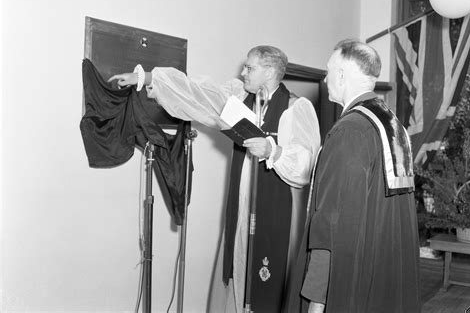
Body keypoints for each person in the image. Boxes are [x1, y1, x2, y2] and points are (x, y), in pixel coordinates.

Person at [108, 45, 320, 312]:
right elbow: (198, 91)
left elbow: (305, 164)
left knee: (267, 283)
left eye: (250, 68)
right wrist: (147, 78)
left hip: (276, 217)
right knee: (240, 278)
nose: (243, 72)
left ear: (269, 71)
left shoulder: (294, 108)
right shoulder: (240, 98)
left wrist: (273, 151)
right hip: (242, 213)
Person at [287, 39, 420, 313]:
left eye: (328, 71)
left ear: (342, 74)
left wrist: (317, 298)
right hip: (386, 268)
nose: (325, 80)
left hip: (349, 282)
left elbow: (332, 223)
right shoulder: (395, 126)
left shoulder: (350, 130)